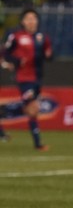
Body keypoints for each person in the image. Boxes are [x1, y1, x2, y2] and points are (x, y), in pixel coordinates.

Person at [2, 8, 52, 151]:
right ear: (23, 21)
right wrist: (17, 61)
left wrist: (49, 55)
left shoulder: (43, 37)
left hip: (38, 78)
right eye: (28, 18)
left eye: (33, 18)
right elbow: (6, 53)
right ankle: (38, 144)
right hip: (24, 78)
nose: (31, 21)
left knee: (32, 111)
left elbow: (49, 54)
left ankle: (37, 143)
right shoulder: (16, 36)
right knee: (33, 108)